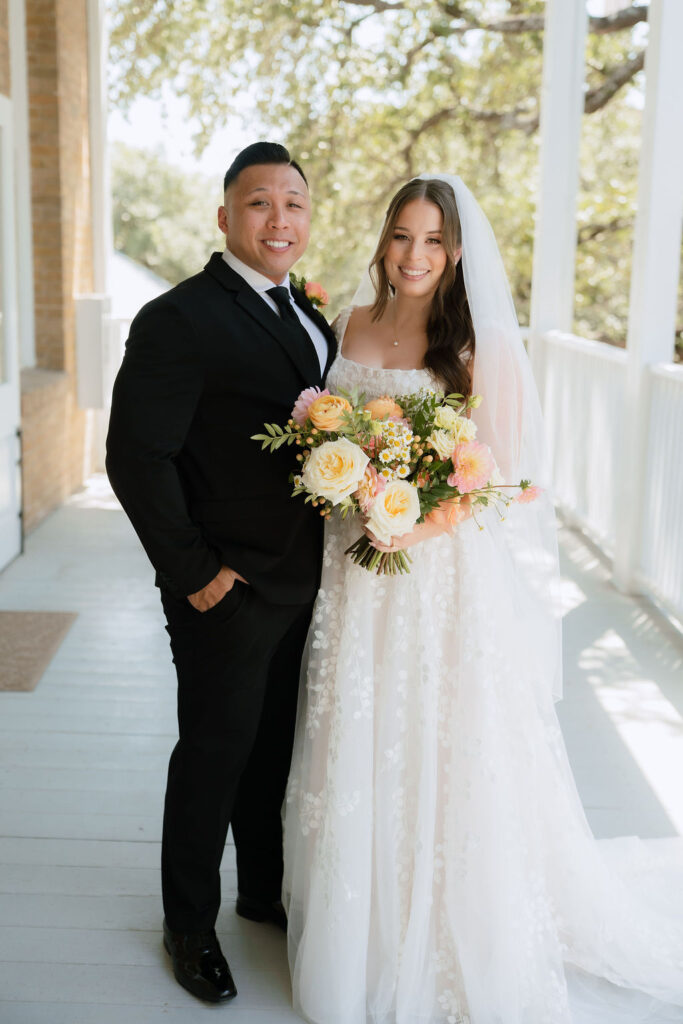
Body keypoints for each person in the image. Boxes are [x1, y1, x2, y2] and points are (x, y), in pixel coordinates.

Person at [283, 174, 683, 1024]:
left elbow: (488, 476)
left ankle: (441, 924)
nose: (414, 255)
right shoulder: (348, 324)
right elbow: (328, 436)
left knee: (435, 737)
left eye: (433, 241)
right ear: (384, 240)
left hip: (433, 579)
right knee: (356, 727)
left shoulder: (475, 346)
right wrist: (344, 487)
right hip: (351, 572)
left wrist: (406, 526)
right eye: (402, 236)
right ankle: (357, 927)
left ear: (456, 252)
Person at [105, 141, 336, 1004]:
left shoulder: (306, 313)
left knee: (274, 747)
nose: (279, 219)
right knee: (213, 754)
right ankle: (189, 926)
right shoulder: (178, 318)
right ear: (224, 216)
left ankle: (261, 891)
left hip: (304, 579)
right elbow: (137, 456)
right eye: (259, 202)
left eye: (293, 203)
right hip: (226, 588)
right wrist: (196, 574)